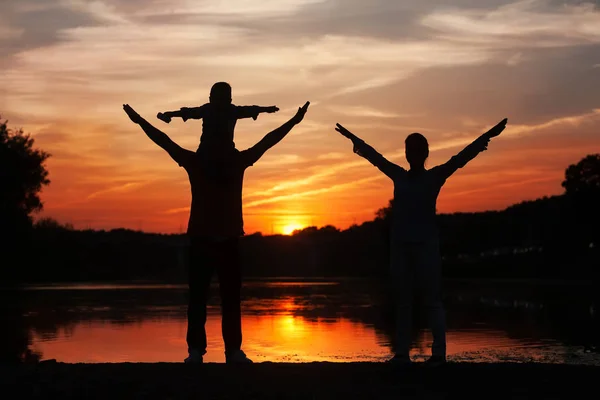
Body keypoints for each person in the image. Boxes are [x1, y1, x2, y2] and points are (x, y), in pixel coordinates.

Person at [123, 101, 310, 364]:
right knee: (203, 299)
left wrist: (293, 121)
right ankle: (199, 351)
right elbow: (163, 139)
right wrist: (139, 121)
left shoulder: (222, 161)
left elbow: (268, 141)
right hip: (204, 240)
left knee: (224, 300)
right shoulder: (209, 161)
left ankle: (229, 351)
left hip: (224, 240)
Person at [334, 118, 507, 366]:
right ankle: (402, 353)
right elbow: (375, 157)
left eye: (416, 149)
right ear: (405, 154)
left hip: (426, 245)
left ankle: (438, 354)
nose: (411, 154)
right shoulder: (398, 175)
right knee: (403, 300)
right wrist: (353, 138)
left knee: (432, 300)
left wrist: (488, 135)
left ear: (425, 153)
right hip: (401, 246)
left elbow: (462, 157)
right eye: (408, 150)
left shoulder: (435, 176)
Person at [156, 82, 279, 153]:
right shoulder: (231, 110)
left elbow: (190, 112)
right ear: (230, 99)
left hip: (209, 150)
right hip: (222, 150)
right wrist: (266, 109)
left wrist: (170, 114)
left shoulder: (210, 109)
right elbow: (250, 109)